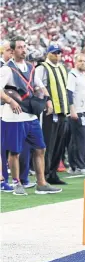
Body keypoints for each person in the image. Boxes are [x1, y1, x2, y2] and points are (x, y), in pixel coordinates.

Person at [0, 37, 62, 195]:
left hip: (30, 116)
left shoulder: (31, 67)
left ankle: (41, 183)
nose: (23, 49)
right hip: (14, 117)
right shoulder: (7, 69)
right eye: (19, 47)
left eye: (24, 46)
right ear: (12, 51)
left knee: (40, 148)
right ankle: (16, 183)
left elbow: (39, 86)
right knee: (15, 152)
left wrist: (48, 101)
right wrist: (10, 101)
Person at [36, 43, 69, 185]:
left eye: (59, 53)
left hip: (62, 111)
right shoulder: (42, 68)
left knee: (59, 144)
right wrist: (45, 102)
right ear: (48, 54)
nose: (57, 55)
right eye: (54, 53)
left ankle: (53, 172)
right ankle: (44, 173)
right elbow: (37, 87)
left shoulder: (62, 68)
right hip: (49, 111)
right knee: (48, 143)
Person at [66, 54, 85, 175]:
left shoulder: (82, 75)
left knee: (78, 139)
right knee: (80, 139)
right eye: (80, 61)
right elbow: (69, 93)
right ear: (75, 62)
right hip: (79, 110)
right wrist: (72, 109)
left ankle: (74, 166)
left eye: (84, 61)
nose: (83, 63)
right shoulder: (72, 75)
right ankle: (80, 165)